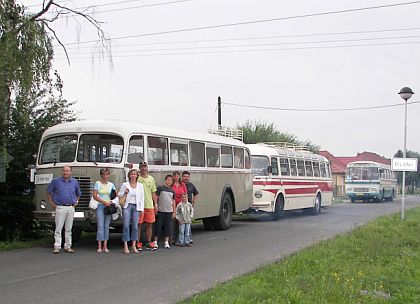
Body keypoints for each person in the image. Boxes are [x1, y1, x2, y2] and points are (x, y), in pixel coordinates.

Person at [47, 165, 81, 254]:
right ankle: (57, 246)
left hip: (70, 207)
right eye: (64, 171)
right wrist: (52, 204)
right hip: (60, 207)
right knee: (58, 228)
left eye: (67, 171)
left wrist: (76, 201)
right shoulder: (55, 181)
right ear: (62, 172)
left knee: (69, 228)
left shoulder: (74, 182)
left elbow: (78, 193)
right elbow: (49, 192)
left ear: (70, 172)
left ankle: (68, 246)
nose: (65, 172)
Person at [119, 168, 144, 254]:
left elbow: (142, 198)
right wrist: (124, 192)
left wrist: (141, 209)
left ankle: (133, 245)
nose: (133, 176)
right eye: (131, 174)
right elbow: (119, 194)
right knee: (126, 225)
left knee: (135, 227)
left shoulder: (140, 185)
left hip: (136, 207)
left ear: (137, 176)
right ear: (129, 175)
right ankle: (125, 245)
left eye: (135, 174)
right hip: (127, 206)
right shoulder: (125, 184)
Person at [92, 168, 116, 253]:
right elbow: (95, 195)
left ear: (109, 175)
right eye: (103, 174)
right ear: (101, 175)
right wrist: (103, 202)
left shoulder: (111, 185)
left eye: (107, 174)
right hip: (100, 205)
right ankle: (99, 246)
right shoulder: (97, 183)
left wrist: (110, 202)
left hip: (108, 207)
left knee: (106, 226)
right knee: (100, 226)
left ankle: (105, 246)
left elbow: (114, 196)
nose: (105, 176)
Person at [137, 162, 158, 251]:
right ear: (140, 168)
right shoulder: (137, 178)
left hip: (149, 205)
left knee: (150, 224)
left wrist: (155, 204)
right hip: (140, 206)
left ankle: (149, 242)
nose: (144, 169)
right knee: (139, 225)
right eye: (142, 167)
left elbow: (153, 192)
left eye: (145, 167)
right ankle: (138, 242)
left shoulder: (151, 179)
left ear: (147, 168)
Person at [153, 175, 176, 249]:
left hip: (169, 211)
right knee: (158, 226)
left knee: (168, 227)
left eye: (171, 180)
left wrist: (174, 211)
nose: (169, 181)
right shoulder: (160, 188)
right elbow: (156, 197)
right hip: (161, 210)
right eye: (168, 180)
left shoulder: (172, 191)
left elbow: (173, 201)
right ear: (165, 180)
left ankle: (166, 242)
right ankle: (155, 242)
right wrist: (155, 206)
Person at [182, 171, 199, 243]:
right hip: (181, 206)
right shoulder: (180, 185)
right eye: (185, 177)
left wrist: (193, 202)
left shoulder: (191, 185)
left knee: (188, 222)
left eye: (187, 177)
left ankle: (189, 238)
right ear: (182, 177)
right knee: (181, 223)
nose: (186, 178)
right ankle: (181, 238)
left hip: (188, 206)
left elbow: (197, 194)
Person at [171, 171, 187, 243]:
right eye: (175, 176)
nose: (176, 177)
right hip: (173, 205)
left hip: (181, 205)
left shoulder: (182, 184)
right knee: (173, 222)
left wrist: (186, 205)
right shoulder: (171, 185)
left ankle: (181, 238)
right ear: (173, 177)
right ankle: (173, 238)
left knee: (180, 222)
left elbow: (185, 194)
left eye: (177, 176)